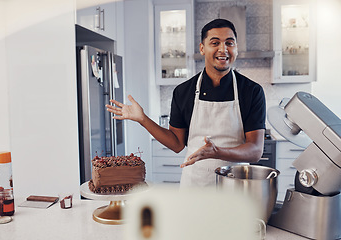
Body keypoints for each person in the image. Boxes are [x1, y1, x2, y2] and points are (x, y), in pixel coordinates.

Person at [106, 19, 266, 188]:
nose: (223, 49)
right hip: (195, 185)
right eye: (215, 42)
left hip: (236, 187)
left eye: (229, 43)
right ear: (202, 48)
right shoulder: (184, 91)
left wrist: (217, 152)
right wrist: (143, 119)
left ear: (236, 48)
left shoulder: (252, 91)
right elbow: (176, 143)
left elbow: (255, 151)